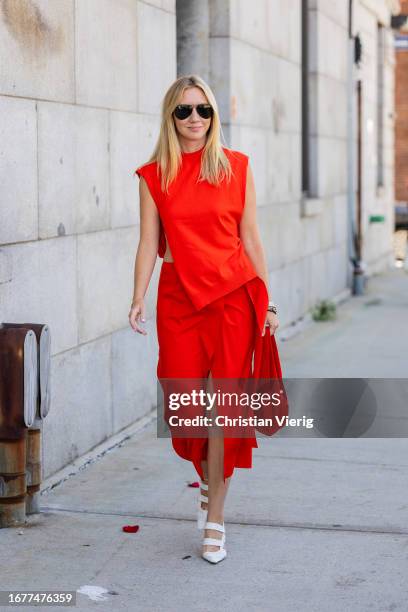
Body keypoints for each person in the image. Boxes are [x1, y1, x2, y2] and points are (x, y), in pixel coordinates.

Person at [129, 74, 281, 564]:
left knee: (223, 410)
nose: (195, 119)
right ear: (170, 117)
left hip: (235, 297)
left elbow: (251, 238)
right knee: (187, 407)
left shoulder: (236, 167)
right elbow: (148, 243)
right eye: (184, 111)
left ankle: (216, 513)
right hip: (179, 301)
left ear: (214, 116)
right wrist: (137, 297)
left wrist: (268, 301)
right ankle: (206, 475)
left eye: (203, 110)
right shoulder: (154, 176)